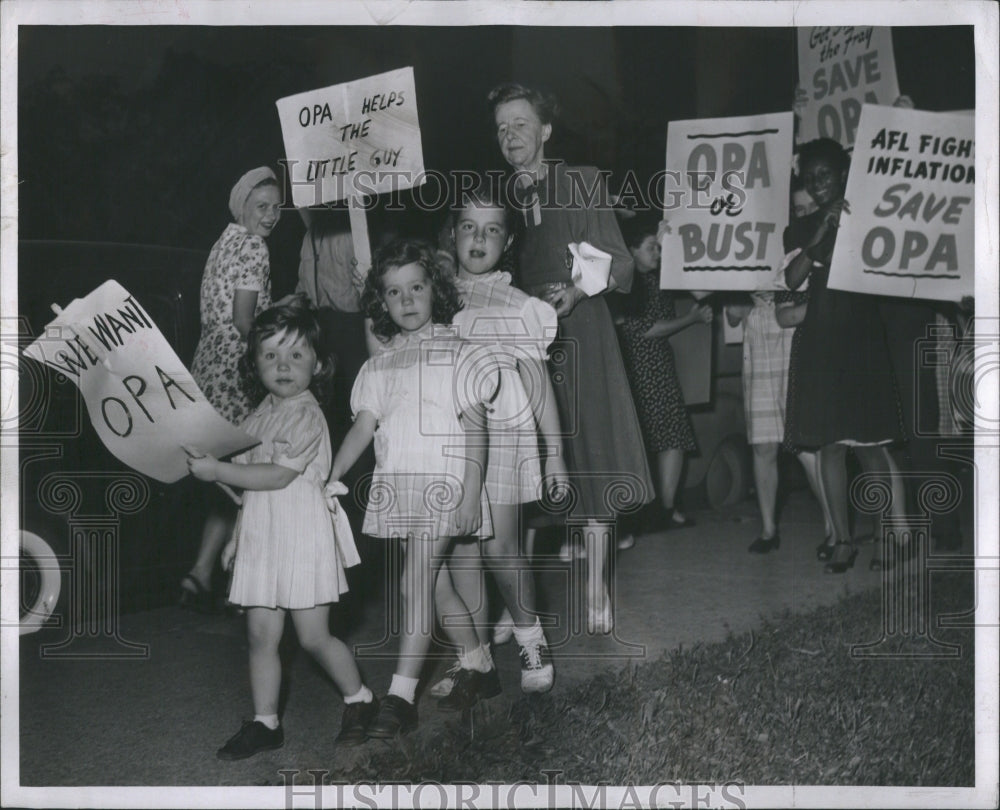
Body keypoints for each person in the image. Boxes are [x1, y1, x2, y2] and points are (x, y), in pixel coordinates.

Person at [488, 82, 654, 633]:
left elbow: (617, 258)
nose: (511, 135)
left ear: (546, 130)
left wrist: (577, 294)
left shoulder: (581, 180)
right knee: (520, 466)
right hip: (518, 340)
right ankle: (518, 605)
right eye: (502, 127)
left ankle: (597, 594)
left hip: (579, 331)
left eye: (520, 123)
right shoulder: (497, 200)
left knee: (592, 457)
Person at [185, 297, 376, 760]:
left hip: (302, 536)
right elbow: (249, 489)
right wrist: (233, 536)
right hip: (262, 536)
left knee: (313, 637)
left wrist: (218, 473)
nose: (283, 365)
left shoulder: (306, 415)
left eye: (295, 354)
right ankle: (265, 722)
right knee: (260, 637)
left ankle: (360, 699)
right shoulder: (257, 416)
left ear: (318, 362)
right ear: (254, 364)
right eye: (270, 355)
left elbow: (277, 476)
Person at [327, 239, 495, 737]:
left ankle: (401, 695)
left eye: (416, 287)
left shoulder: (460, 354)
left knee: (414, 581)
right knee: (434, 583)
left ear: (434, 290)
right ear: (380, 303)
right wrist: (331, 474)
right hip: (401, 486)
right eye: (393, 292)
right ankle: (479, 664)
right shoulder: (379, 366)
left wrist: (470, 493)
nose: (406, 299)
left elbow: (476, 430)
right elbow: (362, 428)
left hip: (446, 485)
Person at [430, 182, 568, 706]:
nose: (479, 238)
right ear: (453, 234)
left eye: (492, 229)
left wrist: (555, 453)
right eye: (469, 227)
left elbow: (537, 384)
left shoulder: (518, 304)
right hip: (453, 436)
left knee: (499, 547)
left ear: (507, 241)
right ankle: (474, 657)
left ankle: (532, 643)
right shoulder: (435, 294)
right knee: (461, 550)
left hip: (506, 433)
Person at [784, 138, 907, 573]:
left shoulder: (871, 215)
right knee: (830, 447)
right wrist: (820, 232)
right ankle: (843, 540)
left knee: (871, 446)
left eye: (826, 176)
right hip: (821, 339)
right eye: (810, 177)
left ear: (843, 175)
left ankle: (889, 539)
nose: (817, 185)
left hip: (862, 336)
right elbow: (793, 278)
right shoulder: (799, 226)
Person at [182, 166, 281, 611]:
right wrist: (280, 325)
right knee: (255, 480)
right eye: (262, 206)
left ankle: (200, 573)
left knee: (224, 477)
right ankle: (244, 587)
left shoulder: (223, 243)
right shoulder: (255, 247)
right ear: (242, 207)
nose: (272, 215)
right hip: (238, 375)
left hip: (206, 372)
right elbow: (245, 321)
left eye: (277, 206)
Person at [615, 214, 708, 547]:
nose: (656, 254)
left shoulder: (653, 277)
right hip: (643, 365)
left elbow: (701, 287)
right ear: (631, 250)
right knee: (666, 437)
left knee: (670, 438)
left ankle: (664, 510)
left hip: (654, 364)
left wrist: (668, 247)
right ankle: (659, 511)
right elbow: (645, 328)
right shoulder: (631, 281)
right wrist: (691, 318)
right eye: (651, 248)